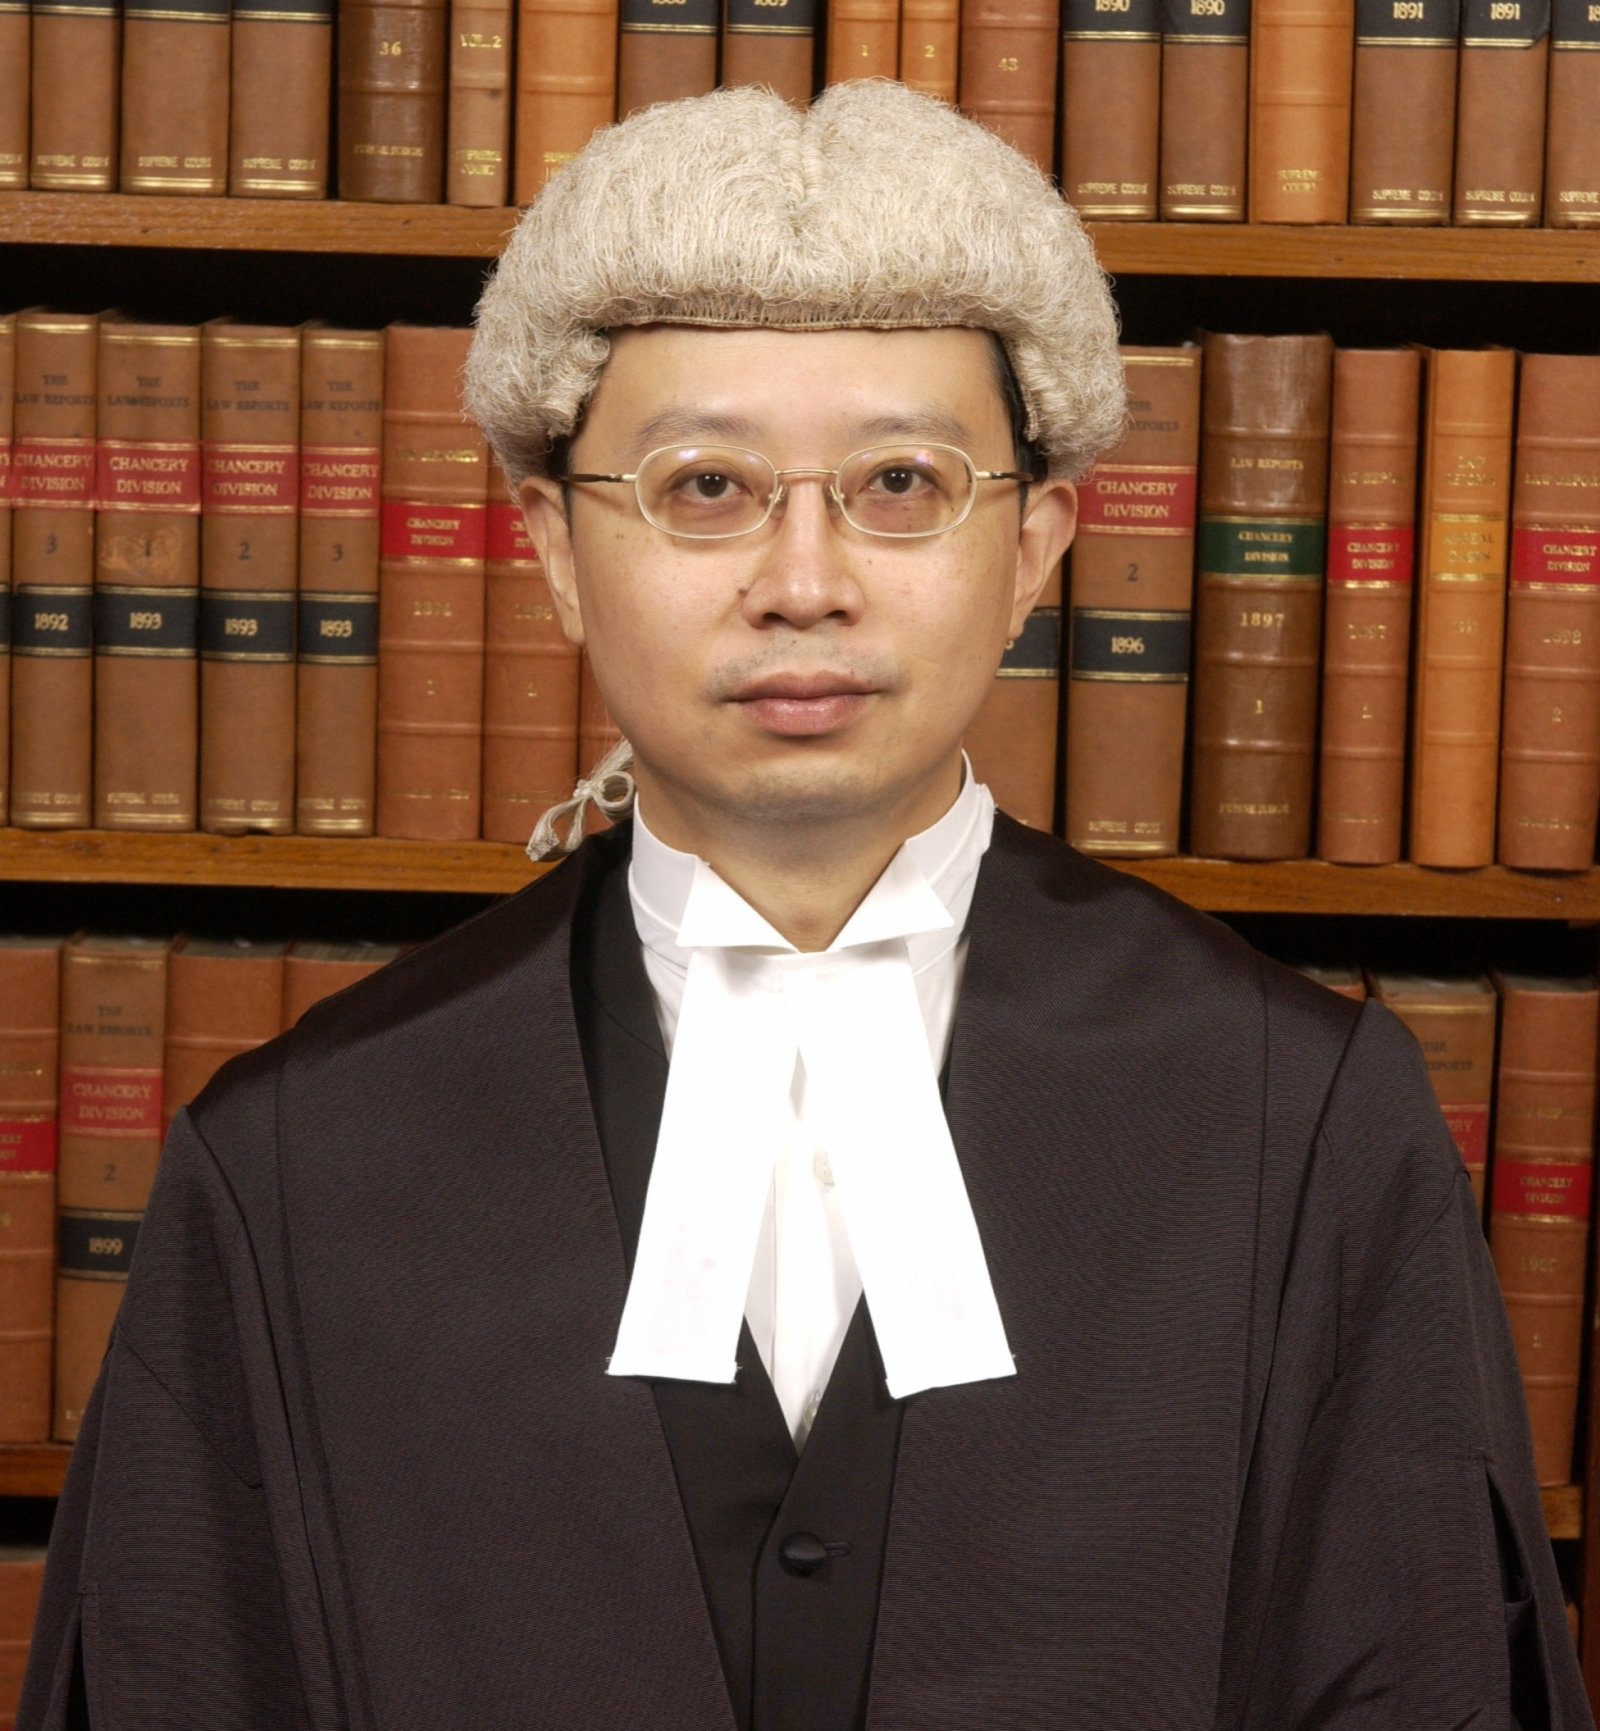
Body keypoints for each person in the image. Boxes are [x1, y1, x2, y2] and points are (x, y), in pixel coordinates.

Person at [19, 79, 1591, 1731]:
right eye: (705, 487)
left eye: (902, 482)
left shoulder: (1302, 1124)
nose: (805, 583)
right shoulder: (297, 1159)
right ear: (552, 547)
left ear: (1037, 544)